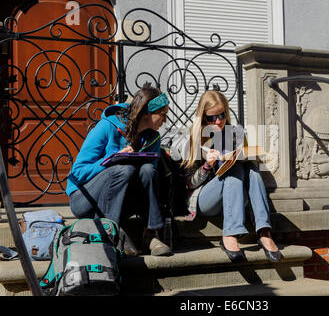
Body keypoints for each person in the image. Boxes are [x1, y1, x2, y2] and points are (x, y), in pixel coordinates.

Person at [66, 82, 172, 256]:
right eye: (163, 114)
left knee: (148, 170)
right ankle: (109, 236)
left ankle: (150, 234)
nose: (165, 120)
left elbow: (148, 181)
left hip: (120, 201)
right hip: (84, 199)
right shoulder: (107, 126)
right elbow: (78, 172)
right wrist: (111, 160)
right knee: (123, 170)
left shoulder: (153, 138)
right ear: (147, 112)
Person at [181, 90, 281, 262]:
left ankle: (264, 231)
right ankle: (231, 233)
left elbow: (246, 161)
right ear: (203, 117)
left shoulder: (235, 134)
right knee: (234, 171)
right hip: (205, 200)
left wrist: (249, 156)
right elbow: (189, 183)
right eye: (212, 118)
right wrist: (207, 166)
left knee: (250, 170)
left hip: (235, 196)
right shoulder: (194, 138)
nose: (218, 121)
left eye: (222, 115)